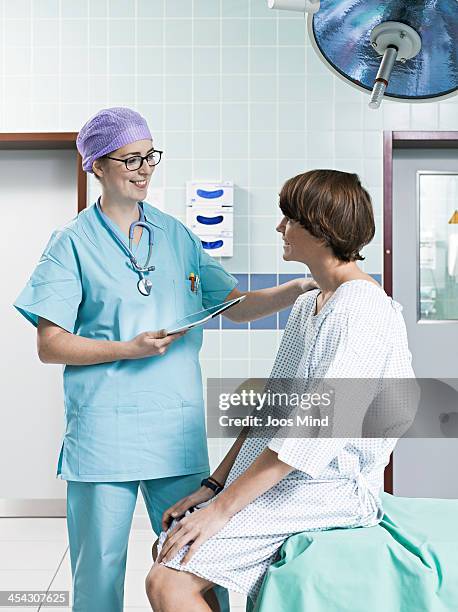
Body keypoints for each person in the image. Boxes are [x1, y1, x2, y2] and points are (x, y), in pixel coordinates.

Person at [13, 107, 317, 612]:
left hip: (173, 433)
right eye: (130, 158)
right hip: (103, 434)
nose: (144, 168)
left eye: (150, 156)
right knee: (100, 571)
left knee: (196, 561)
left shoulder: (175, 234)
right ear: (96, 166)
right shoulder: (71, 244)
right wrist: (127, 349)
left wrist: (300, 286)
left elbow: (232, 305)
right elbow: (50, 344)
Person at [146, 169, 416, 611]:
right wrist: (215, 487)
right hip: (292, 478)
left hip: (334, 488)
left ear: (321, 229)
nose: (279, 228)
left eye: (288, 218)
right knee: (170, 544)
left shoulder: (366, 311)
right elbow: (273, 410)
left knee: (168, 580)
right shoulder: (310, 303)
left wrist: (222, 511)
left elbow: (311, 437)